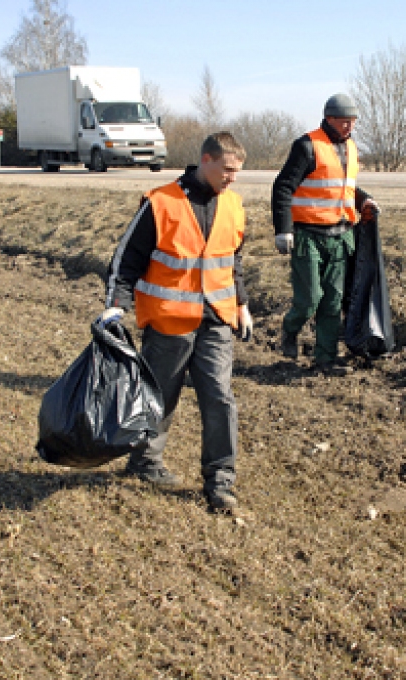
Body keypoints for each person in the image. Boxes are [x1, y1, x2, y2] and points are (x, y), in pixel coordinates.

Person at [101, 132, 253, 512]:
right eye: (227, 170)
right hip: (169, 321)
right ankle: (144, 461)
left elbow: (232, 261)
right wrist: (115, 306)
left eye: (237, 172)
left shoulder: (233, 205)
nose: (232, 178)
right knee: (160, 395)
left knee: (219, 396)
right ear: (206, 160)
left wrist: (242, 304)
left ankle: (220, 481)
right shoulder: (160, 203)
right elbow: (126, 260)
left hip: (216, 318)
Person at [271, 93, 379, 376]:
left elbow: (343, 187)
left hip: (341, 236)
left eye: (353, 121)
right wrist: (283, 230)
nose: (349, 126)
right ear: (329, 118)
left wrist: (363, 200)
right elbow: (283, 187)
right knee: (309, 299)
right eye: (344, 121)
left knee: (332, 300)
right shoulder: (307, 146)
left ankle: (326, 359)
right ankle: (290, 329)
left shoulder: (351, 148)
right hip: (308, 235)